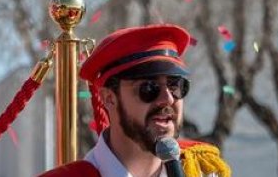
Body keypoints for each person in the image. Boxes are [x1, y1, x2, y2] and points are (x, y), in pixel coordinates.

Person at [38, 24, 231, 177]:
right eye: (149, 87)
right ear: (109, 98)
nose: (167, 99)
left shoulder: (202, 171)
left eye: (175, 85)